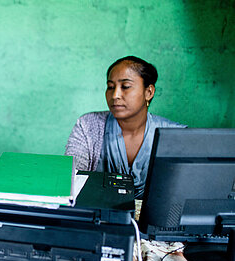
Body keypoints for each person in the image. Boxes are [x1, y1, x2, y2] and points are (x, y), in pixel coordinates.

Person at [65, 56, 186, 198]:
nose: (115, 95)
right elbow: (72, 181)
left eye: (126, 87)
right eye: (110, 87)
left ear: (149, 92)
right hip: (98, 217)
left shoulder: (177, 135)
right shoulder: (88, 126)